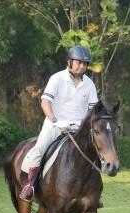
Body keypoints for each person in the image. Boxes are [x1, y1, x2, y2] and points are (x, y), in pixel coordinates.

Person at [19, 45, 99, 202]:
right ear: (69, 62)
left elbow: (93, 110)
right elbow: (45, 103)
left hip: (79, 129)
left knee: (97, 150)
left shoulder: (89, 84)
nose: (82, 66)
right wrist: (55, 120)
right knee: (39, 149)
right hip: (54, 125)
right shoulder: (56, 78)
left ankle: (94, 191)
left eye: (85, 63)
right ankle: (30, 185)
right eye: (79, 62)